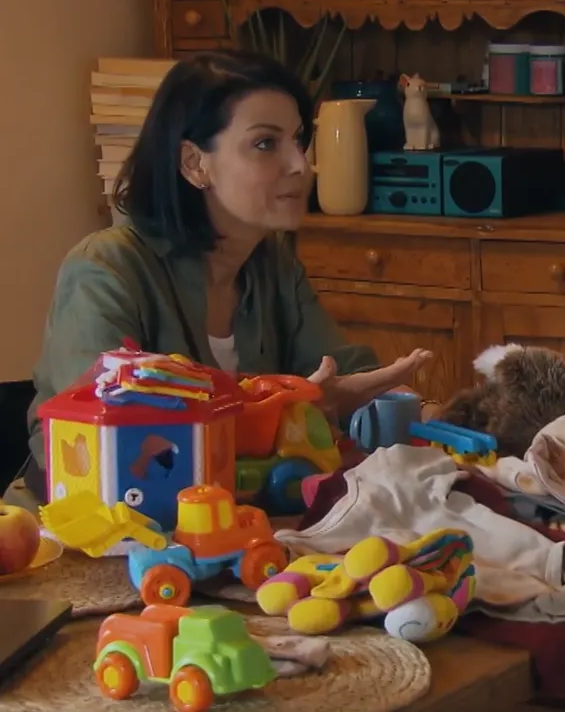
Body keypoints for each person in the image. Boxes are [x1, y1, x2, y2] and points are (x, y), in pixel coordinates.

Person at [8, 50, 438, 509]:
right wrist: (284, 412)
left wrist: (427, 414)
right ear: (194, 163)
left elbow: (345, 374)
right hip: (85, 531)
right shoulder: (104, 269)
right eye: (265, 144)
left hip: (236, 518)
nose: (301, 164)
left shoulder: (272, 264)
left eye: (298, 139)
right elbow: (111, 440)